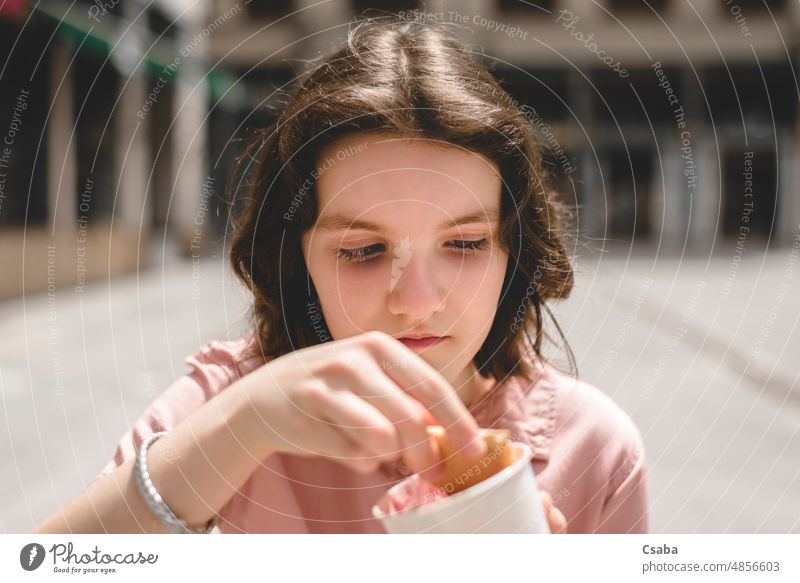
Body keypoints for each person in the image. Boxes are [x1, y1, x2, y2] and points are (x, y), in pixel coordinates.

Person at [33, 17, 647, 534]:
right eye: (362, 250)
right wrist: (242, 428)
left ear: (512, 250)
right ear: (299, 254)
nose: (415, 302)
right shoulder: (225, 405)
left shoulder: (592, 449)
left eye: (463, 243)